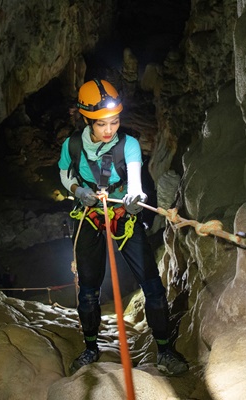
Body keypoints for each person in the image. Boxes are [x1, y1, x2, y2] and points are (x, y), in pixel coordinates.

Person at [58, 78, 188, 375]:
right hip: (89, 215)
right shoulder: (73, 145)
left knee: (152, 283)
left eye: (114, 122)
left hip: (122, 215)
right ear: (88, 120)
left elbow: (134, 178)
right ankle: (91, 347)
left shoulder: (128, 144)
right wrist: (78, 191)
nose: (109, 130)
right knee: (89, 289)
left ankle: (165, 350)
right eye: (102, 124)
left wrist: (135, 196)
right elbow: (65, 175)